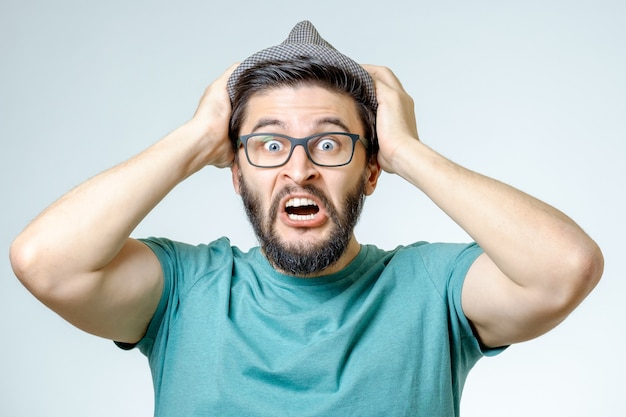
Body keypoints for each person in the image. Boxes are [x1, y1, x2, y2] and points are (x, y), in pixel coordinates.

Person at [10, 20, 603, 416]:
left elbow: (565, 269)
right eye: (269, 145)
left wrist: (406, 152)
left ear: (370, 172)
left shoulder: (432, 289)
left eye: (329, 144)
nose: (299, 171)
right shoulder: (185, 290)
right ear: (236, 171)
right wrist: (194, 139)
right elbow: (45, 262)